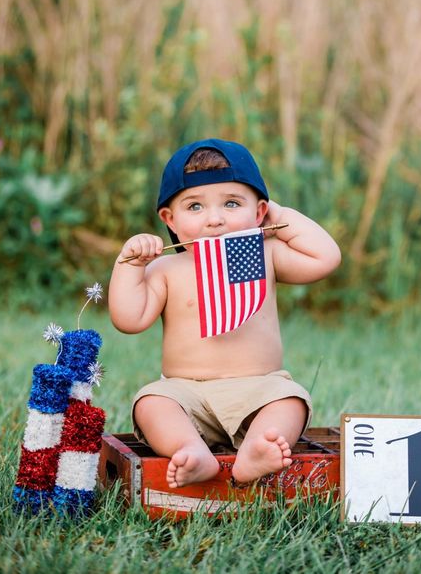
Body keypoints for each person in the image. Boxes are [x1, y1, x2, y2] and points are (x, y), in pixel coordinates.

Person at [109, 138, 341, 489]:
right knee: (151, 402)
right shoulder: (166, 268)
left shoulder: (264, 255)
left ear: (259, 212)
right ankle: (189, 449)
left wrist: (278, 216)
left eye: (232, 203)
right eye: (195, 207)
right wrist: (128, 264)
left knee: (291, 400)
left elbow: (325, 257)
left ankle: (255, 451)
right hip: (186, 393)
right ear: (170, 219)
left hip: (258, 390)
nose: (215, 219)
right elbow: (129, 319)